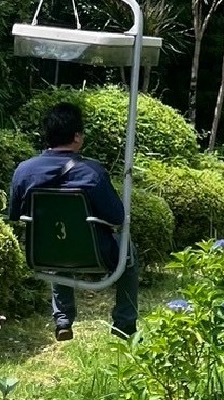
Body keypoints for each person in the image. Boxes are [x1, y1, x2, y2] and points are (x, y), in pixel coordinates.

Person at [8, 102, 139, 342]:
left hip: (43, 253)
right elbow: (117, 218)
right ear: (77, 136)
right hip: (95, 253)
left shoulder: (23, 171)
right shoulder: (92, 172)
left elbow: (15, 215)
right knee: (127, 250)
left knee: (57, 241)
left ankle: (63, 320)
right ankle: (124, 323)